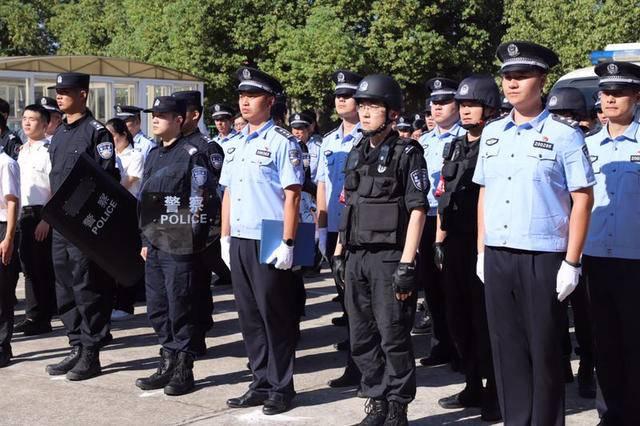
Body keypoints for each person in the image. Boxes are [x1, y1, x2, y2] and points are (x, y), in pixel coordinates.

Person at [473, 41, 595, 425]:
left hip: (543, 259)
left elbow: (583, 199)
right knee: (506, 352)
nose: (512, 84)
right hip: (498, 255)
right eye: (507, 76)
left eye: (522, 76)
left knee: (543, 353)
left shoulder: (565, 135)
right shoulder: (493, 134)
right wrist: (481, 251)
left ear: (541, 80)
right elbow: (485, 194)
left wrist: (571, 262)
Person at [332, 73, 428, 425]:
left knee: (393, 335)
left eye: (374, 105)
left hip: (389, 258)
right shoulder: (356, 152)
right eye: (363, 105)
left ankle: (398, 405)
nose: (366, 111)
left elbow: (418, 209)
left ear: (392, 113)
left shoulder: (407, 153)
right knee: (361, 336)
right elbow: (350, 206)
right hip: (356, 256)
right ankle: (375, 400)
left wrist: (407, 263)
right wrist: (340, 252)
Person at [220, 67, 304, 415]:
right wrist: (224, 237)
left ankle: (282, 386)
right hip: (239, 236)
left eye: (252, 96)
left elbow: (293, 195)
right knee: (249, 316)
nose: (244, 101)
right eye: (242, 95)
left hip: (269, 235)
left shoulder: (282, 142)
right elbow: (227, 193)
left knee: (275, 314)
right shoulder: (235, 144)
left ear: (269, 101)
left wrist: (288, 241)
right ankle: (260, 380)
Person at [135, 95, 216, 395]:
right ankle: (166, 360)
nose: (155, 119)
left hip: (180, 240)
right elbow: (146, 198)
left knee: (181, 302)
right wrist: (144, 239)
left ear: (179, 120)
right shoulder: (154, 154)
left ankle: (184, 366)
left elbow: (202, 197)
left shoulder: (193, 153)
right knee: (158, 305)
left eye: (162, 115)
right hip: (154, 240)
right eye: (153, 114)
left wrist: (192, 239)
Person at [433, 75, 501, 421]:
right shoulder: (455, 146)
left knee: (485, 321)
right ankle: (473, 383)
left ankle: (495, 392)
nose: (465, 110)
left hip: (486, 243)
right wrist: (439, 241)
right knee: (458, 318)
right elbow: (445, 197)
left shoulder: (497, 142)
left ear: (489, 107)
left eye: (472, 104)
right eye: (461, 105)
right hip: (456, 241)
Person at [45, 72, 118, 381]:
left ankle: (91, 351)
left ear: (83, 95)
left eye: (66, 91)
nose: (60, 96)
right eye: (58, 91)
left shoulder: (96, 132)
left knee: (87, 286)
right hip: (61, 223)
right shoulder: (60, 132)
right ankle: (75, 343)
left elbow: (106, 178)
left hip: (84, 225)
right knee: (64, 286)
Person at [583, 61, 640, 426]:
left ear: (636, 96)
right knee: (603, 342)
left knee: (635, 343)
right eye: (605, 92)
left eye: (618, 92)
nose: (609, 99)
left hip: (635, 260)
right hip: (594, 259)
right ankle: (610, 413)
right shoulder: (585, 146)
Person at [546, 86, 597, 398]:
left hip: (589, 242)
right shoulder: (551, 144)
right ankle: (561, 360)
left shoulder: (588, 145)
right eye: (555, 116)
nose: (561, 121)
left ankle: (588, 368)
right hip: (555, 241)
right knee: (553, 310)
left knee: (585, 313)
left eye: (567, 116)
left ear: (582, 120)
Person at [316, 70, 364, 389]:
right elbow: (322, 183)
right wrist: (321, 227)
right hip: (334, 228)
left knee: (359, 300)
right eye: (337, 95)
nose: (341, 99)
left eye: (347, 94)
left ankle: (361, 363)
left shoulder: (367, 136)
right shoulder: (329, 140)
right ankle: (354, 357)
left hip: (358, 229)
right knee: (344, 298)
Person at [172, 90, 228, 352]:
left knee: (195, 283)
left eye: (181, 111)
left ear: (194, 114)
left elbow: (210, 189)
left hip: (199, 228)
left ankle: (197, 336)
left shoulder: (207, 147)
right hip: (172, 225)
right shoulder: (171, 145)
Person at [417, 77, 465, 368]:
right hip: (427, 217)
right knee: (432, 287)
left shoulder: (466, 138)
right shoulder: (424, 141)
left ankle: (461, 347)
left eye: (444, 101)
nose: (437, 107)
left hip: (453, 219)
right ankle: (440, 344)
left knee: (454, 286)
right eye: (434, 102)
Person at [14, 105, 56, 337]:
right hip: (24, 213)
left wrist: (47, 219)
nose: (27, 123)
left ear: (46, 124)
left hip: (42, 213)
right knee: (28, 267)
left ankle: (44, 317)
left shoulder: (49, 150)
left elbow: (54, 188)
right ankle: (33, 315)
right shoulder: (23, 150)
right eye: (25, 118)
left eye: (33, 119)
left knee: (42, 267)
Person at [105, 118, 144, 321]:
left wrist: (109, 188)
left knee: (127, 257)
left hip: (129, 209)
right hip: (112, 210)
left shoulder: (135, 155)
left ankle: (126, 304)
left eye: (111, 135)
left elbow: (131, 180)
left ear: (122, 134)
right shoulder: (109, 156)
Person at [0, 144, 20, 368]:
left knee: (2, 292)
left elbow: (12, 201)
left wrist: (9, 238)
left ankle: (3, 346)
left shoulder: (6, 163)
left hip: (3, 227)